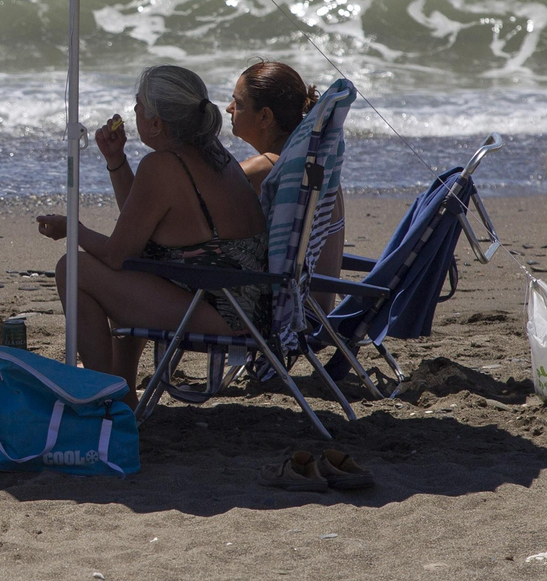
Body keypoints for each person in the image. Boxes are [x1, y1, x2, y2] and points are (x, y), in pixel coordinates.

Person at [36, 65, 267, 392]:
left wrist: (73, 229)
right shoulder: (215, 154)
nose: (134, 110)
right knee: (133, 268)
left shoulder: (163, 166)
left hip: (223, 313)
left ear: (157, 123)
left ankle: (102, 398)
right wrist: (116, 161)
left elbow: (116, 255)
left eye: (139, 104)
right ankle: (122, 391)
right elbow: (140, 226)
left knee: (74, 269)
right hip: (251, 306)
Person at [226, 60, 345, 306]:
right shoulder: (317, 167)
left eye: (238, 103)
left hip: (283, 311)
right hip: (315, 310)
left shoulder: (265, 169)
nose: (229, 108)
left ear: (265, 116)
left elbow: (190, 202)